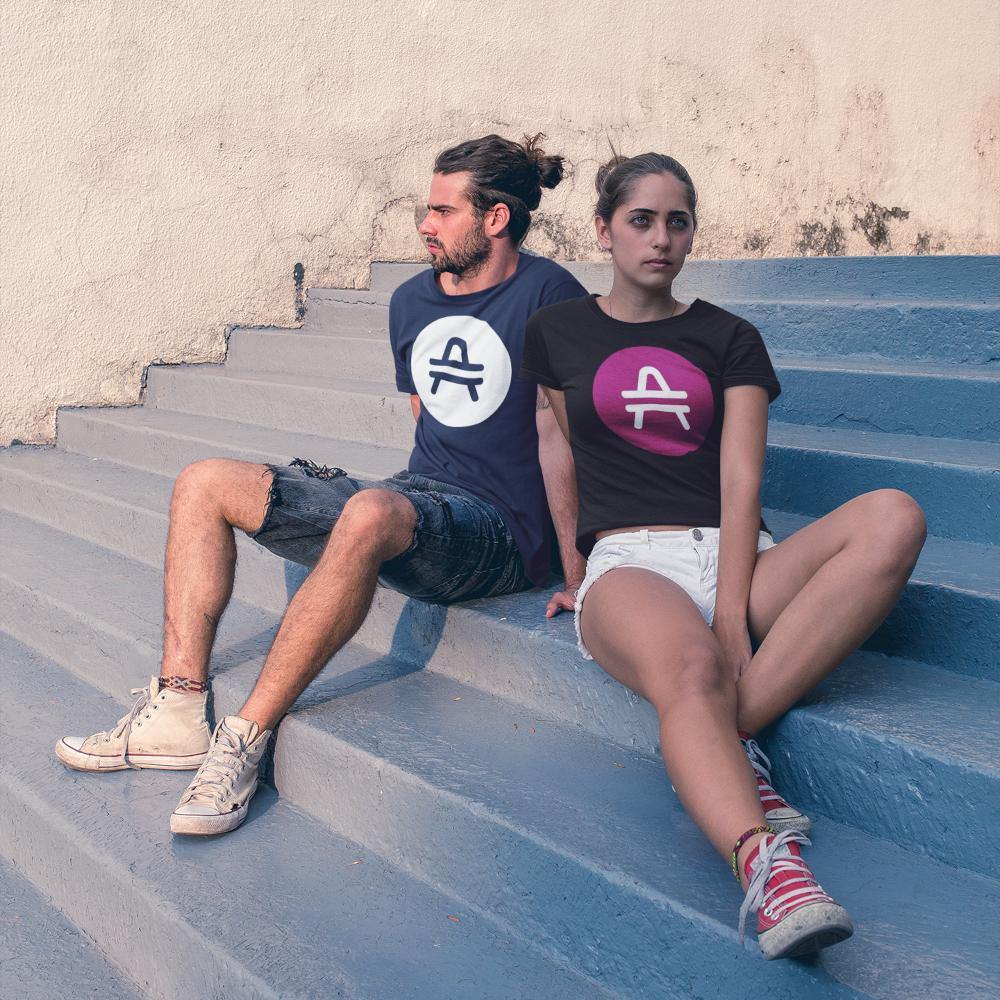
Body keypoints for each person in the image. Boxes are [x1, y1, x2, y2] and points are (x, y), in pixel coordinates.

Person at [55, 133, 589, 836]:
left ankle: (244, 739)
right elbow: (428, 423)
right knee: (205, 481)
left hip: (497, 534)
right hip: (420, 499)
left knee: (370, 512)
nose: (424, 225)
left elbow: (565, 437)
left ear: (495, 218)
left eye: (442, 211)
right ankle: (181, 711)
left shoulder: (551, 294)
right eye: (424, 210)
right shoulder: (412, 302)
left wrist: (581, 569)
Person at [519, 152, 926, 959]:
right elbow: (555, 448)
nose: (661, 239)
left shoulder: (727, 336)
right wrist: (577, 572)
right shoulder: (556, 332)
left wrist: (734, 612)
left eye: (678, 221)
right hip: (631, 563)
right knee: (692, 670)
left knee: (893, 517)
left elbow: (741, 482)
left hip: (738, 551)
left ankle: (718, 741)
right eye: (641, 220)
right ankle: (770, 871)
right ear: (604, 230)